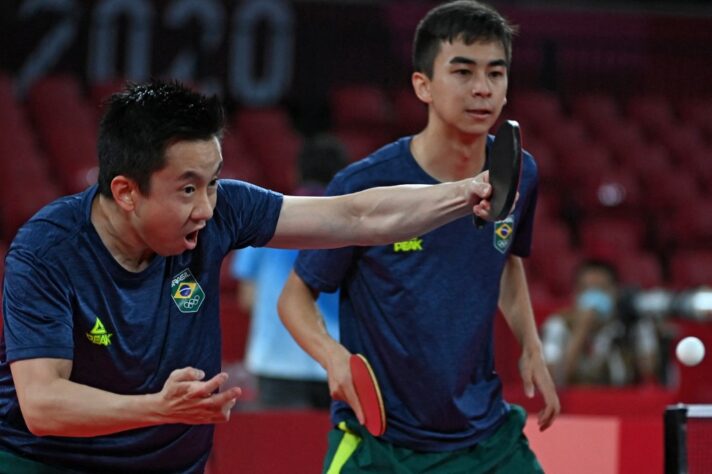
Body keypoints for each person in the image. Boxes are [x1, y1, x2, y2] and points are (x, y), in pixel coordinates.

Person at [0, 79, 495, 474]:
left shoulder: (225, 213)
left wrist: (466, 193)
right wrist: (160, 408)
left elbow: (354, 218)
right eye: (187, 189)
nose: (206, 208)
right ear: (127, 191)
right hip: (44, 464)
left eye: (213, 183)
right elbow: (43, 404)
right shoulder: (47, 251)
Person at [278, 1, 559, 472]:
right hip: (382, 443)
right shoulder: (366, 187)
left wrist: (532, 349)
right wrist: (334, 358)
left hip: (487, 440)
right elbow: (294, 297)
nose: (482, 89)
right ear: (422, 85)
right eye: (463, 72)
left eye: (496, 73)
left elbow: (507, 259)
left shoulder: (518, 172)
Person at [230, 135, 347, 409]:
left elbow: (247, 298)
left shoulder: (267, 217)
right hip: (335, 360)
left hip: (275, 362)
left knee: (283, 448)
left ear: (295, 172)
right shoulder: (352, 223)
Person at [541, 258, 661, 387]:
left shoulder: (633, 323)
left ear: (615, 292)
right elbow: (554, 379)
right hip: (577, 402)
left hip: (623, 401)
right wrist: (581, 330)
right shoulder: (558, 324)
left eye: (601, 289)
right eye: (586, 289)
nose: (593, 296)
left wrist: (646, 327)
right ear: (575, 294)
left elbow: (650, 372)